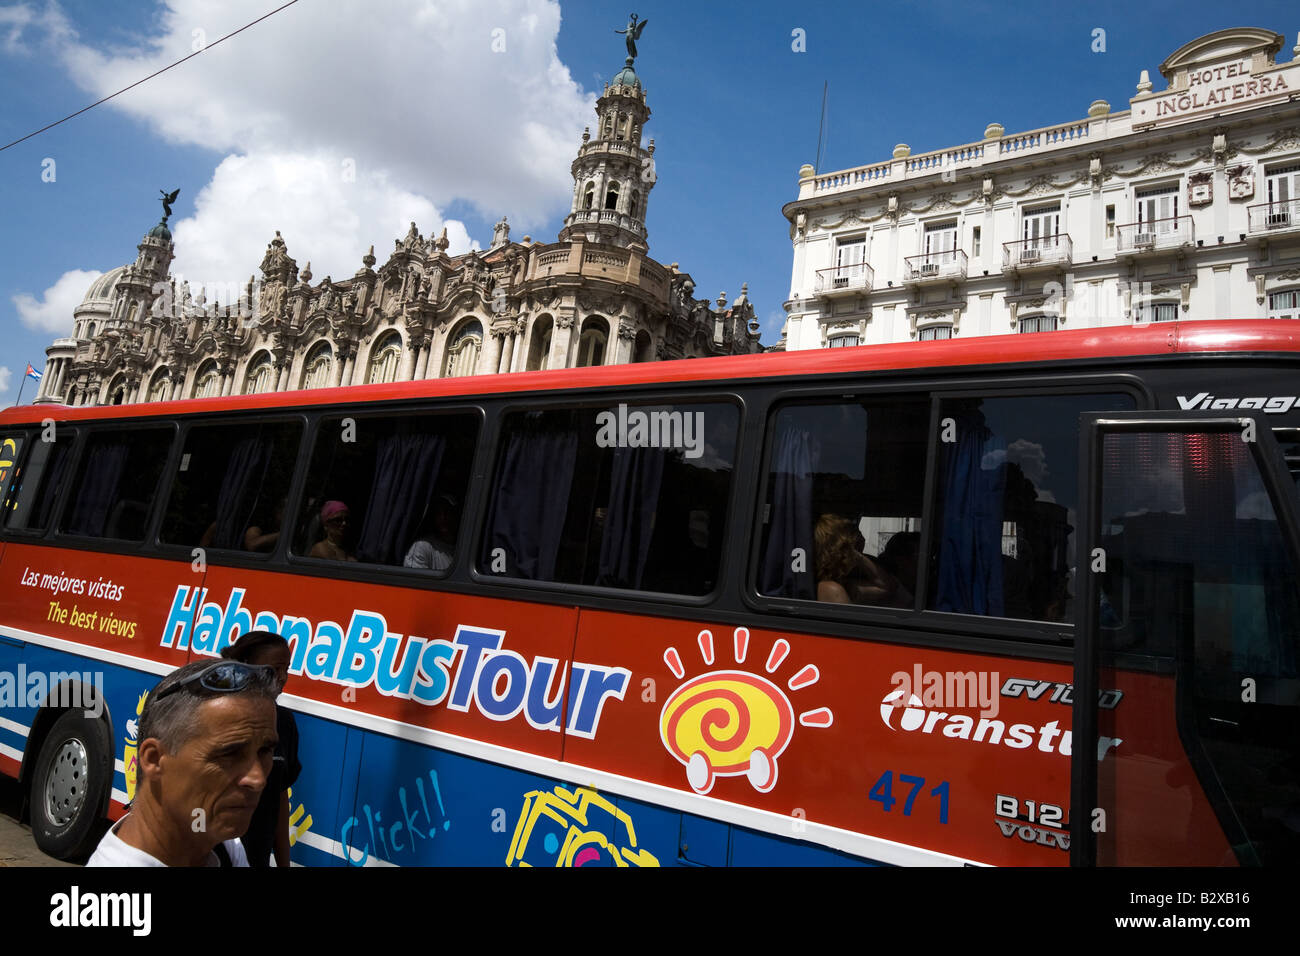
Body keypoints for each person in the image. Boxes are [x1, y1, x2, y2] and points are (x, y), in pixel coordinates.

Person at [86, 659, 278, 866]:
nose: (258, 779)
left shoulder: (220, 843)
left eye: (265, 751)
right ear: (154, 759)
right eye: (229, 754)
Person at [221, 630, 300, 868]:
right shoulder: (218, 716)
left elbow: (279, 798)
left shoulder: (284, 723)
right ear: (246, 666)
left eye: (286, 669)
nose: (283, 677)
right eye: (274, 669)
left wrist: (284, 863)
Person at [814, 514, 899, 606]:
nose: (857, 552)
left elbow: (888, 588)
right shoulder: (832, 588)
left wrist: (858, 557)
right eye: (855, 545)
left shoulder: (846, 584)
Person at [403, 493, 459, 571]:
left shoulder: (462, 548)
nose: (443, 517)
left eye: (447, 512)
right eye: (438, 513)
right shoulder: (422, 546)